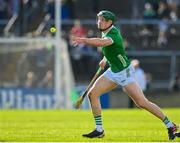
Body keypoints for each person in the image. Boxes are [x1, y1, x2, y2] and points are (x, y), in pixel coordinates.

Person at [72, 10, 179, 140]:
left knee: (142, 102)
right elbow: (111, 48)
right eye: (98, 19)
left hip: (124, 72)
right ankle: (99, 130)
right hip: (113, 70)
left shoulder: (113, 34)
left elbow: (102, 43)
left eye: (102, 20)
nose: (99, 22)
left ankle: (170, 125)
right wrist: (105, 59)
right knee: (92, 94)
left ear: (109, 22)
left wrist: (83, 40)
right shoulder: (105, 30)